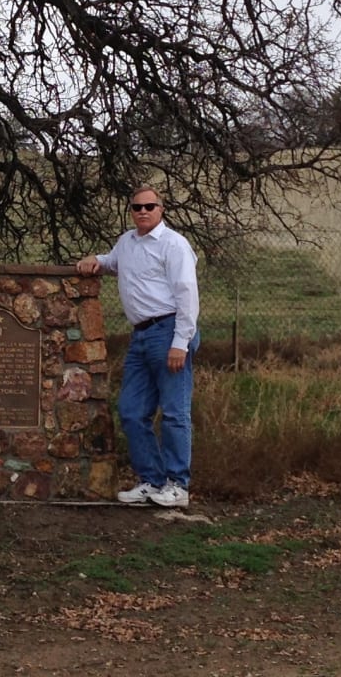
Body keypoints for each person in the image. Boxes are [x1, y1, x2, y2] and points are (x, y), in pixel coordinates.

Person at [76, 185, 200, 508]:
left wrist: (180, 342)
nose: (143, 211)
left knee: (174, 412)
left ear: (161, 209)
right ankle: (152, 481)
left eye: (149, 206)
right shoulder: (127, 242)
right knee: (131, 411)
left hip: (170, 330)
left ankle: (177, 486)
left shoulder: (174, 245)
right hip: (141, 335)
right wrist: (96, 261)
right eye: (136, 207)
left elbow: (187, 293)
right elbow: (112, 262)